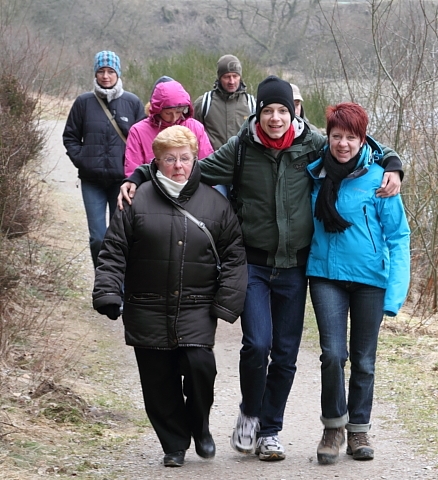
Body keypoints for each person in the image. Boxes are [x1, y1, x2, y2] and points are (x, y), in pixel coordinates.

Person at [118, 75, 403, 462]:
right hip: (253, 262)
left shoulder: (312, 143)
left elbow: (355, 144)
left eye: (282, 110)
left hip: (296, 266)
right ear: (258, 112)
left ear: (293, 112)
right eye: (268, 110)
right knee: (257, 345)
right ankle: (250, 414)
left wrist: (393, 163)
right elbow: (191, 168)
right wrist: (139, 176)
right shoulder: (240, 147)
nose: (275, 117)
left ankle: (270, 430)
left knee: (285, 353)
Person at [93, 125, 247, 468]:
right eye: (169, 159)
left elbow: (235, 255)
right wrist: (107, 291)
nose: (178, 166)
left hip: (196, 305)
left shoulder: (216, 204)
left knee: (199, 368)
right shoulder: (135, 200)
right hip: (146, 305)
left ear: (195, 160)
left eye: (185, 158)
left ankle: (200, 426)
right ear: (156, 162)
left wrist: (227, 302)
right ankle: (174, 443)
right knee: (158, 381)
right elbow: (114, 251)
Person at [308, 103, 410, 465]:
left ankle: (358, 430)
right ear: (328, 136)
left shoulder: (382, 179)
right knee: (333, 354)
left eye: (351, 137)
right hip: (325, 276)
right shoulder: (314, 172)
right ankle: (333, 427)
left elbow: (399, 237)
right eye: (337, 136)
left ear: (362, 138)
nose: (343, 144)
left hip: (370, 281)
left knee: (364, 361)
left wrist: (395, 293)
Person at [62, 50, 144, 269]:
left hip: (122, 182)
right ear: (95, 74)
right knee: (98, 237)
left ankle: (119, 284)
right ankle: (102, 282)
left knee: (120, 237)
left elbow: (143, 141)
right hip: (92, 181)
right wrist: (82, 160)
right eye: (101, 71)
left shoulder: (132, 102)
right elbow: (70, 136)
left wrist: (134, 173)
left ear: (118, 73)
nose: (105, 76)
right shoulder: (83, 102)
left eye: (110, 71)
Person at [124, 80, 213, 177]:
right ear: (157, 110)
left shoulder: (196, 127)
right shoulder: (138, 131)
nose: (174, 118)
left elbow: (207, 165)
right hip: (153, 188)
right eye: (168, 113)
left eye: (178, 112)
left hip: (191, 187)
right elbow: (133, 171)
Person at [194, 54, 256, 151]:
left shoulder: (252, 104)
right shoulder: (204, 103)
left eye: (235, 76)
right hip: (212, 163)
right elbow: (193, 135)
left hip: (243, 163)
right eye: (227, 77)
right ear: (219, 78)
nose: (231, 81)